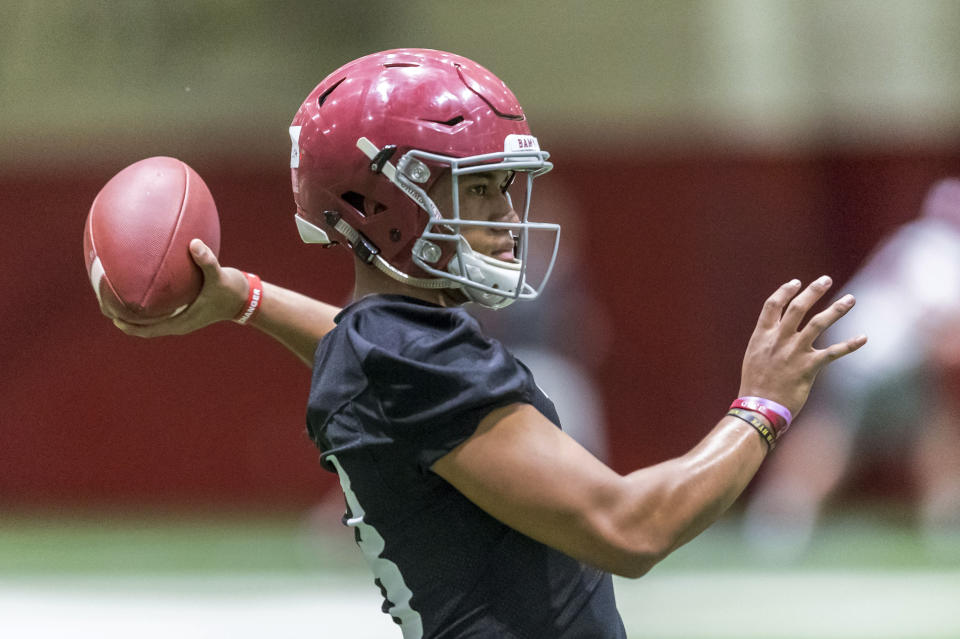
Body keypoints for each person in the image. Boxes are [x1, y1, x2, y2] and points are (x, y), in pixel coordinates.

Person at [109, 48, 866, 639]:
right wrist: (763, 404)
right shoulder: (413, 355)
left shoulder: (388, 342)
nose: (506, 218)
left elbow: (353, 343)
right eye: (478, 189)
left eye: (503, 186)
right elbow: (633, 527)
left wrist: (247, 298)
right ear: (382, 205)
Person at [743, 178, 960, 561]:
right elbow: (940, 332)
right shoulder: (938, 248)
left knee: (928, 431)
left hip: (872, 353)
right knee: (837, 435)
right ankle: (782, 516)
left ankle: (946, 516)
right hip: (876, 357)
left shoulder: (917, 239)